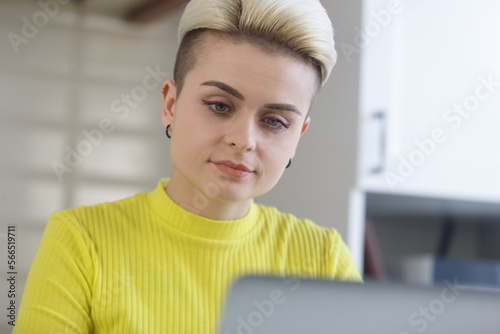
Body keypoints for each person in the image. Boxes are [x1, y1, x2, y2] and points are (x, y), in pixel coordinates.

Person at [14, 0, 362, 332]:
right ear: (170, 104)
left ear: (298, 135)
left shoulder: (324, 260)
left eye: (274, 122)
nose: (244, 140)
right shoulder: (80, 242)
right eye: (220, 106)